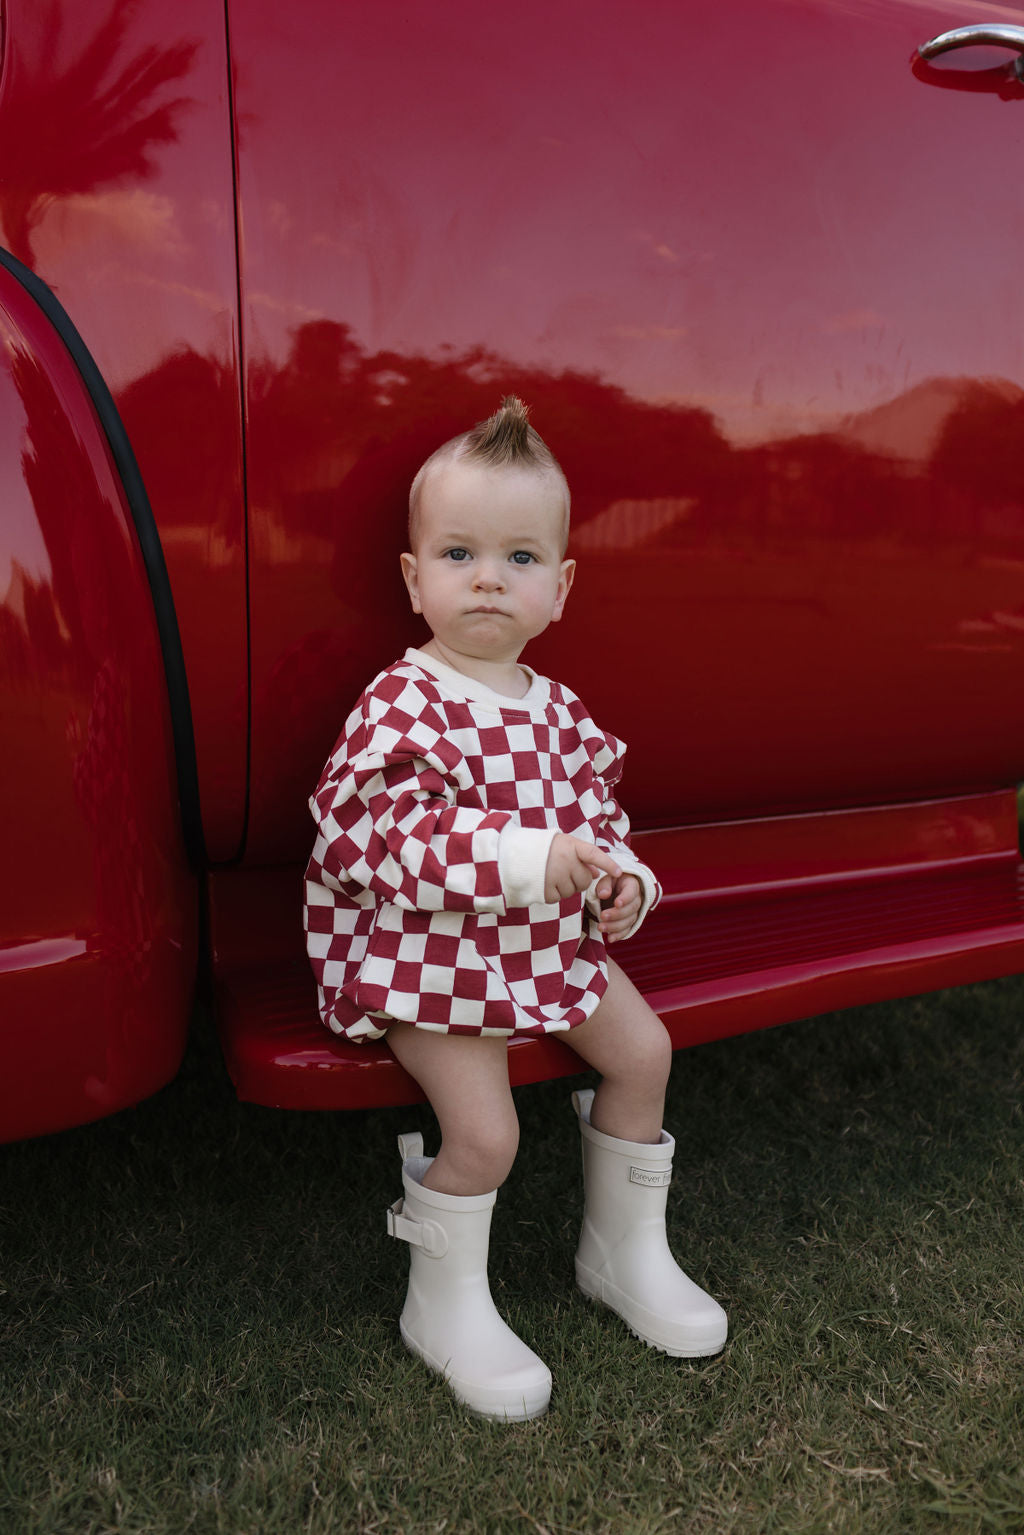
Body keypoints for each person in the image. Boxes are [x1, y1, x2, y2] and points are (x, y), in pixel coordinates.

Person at [304, 397, 727, 1419]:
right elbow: (388, 839)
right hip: (425, 953)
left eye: (520, 557)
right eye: (457, 551)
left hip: (538, 941)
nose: (488, 575)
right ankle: (441, 1302)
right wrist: (541, 855)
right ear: (415, 579)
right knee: (486, 1132)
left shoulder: (560, 711)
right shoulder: (401, 702)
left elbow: (601, 821)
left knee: (644, 1052)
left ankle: (621, 1251)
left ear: (560, 587)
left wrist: (623, 882)